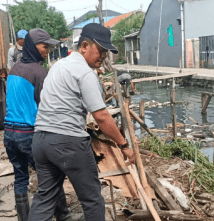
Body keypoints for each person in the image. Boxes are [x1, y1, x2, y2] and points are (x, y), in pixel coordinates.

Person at [28, 23, 135, 221]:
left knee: (44, 198)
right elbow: (101, 116)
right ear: (84, 46)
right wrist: (124, 145)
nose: (103, 56)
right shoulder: (85, 73)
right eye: (101, 50)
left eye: (106, 52)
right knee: (92, 199)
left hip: (40, 141)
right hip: (68, 142)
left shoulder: (58, 65)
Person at [4, 28, 69, 221]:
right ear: (33, 46)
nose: (47, 50)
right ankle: (63, 216)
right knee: (51, 176)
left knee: (21, 178)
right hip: (28, 133)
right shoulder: (40, 72)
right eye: (44, 46)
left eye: (49, 46)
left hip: (9, 132)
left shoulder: (15, 68)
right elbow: (46, 105)